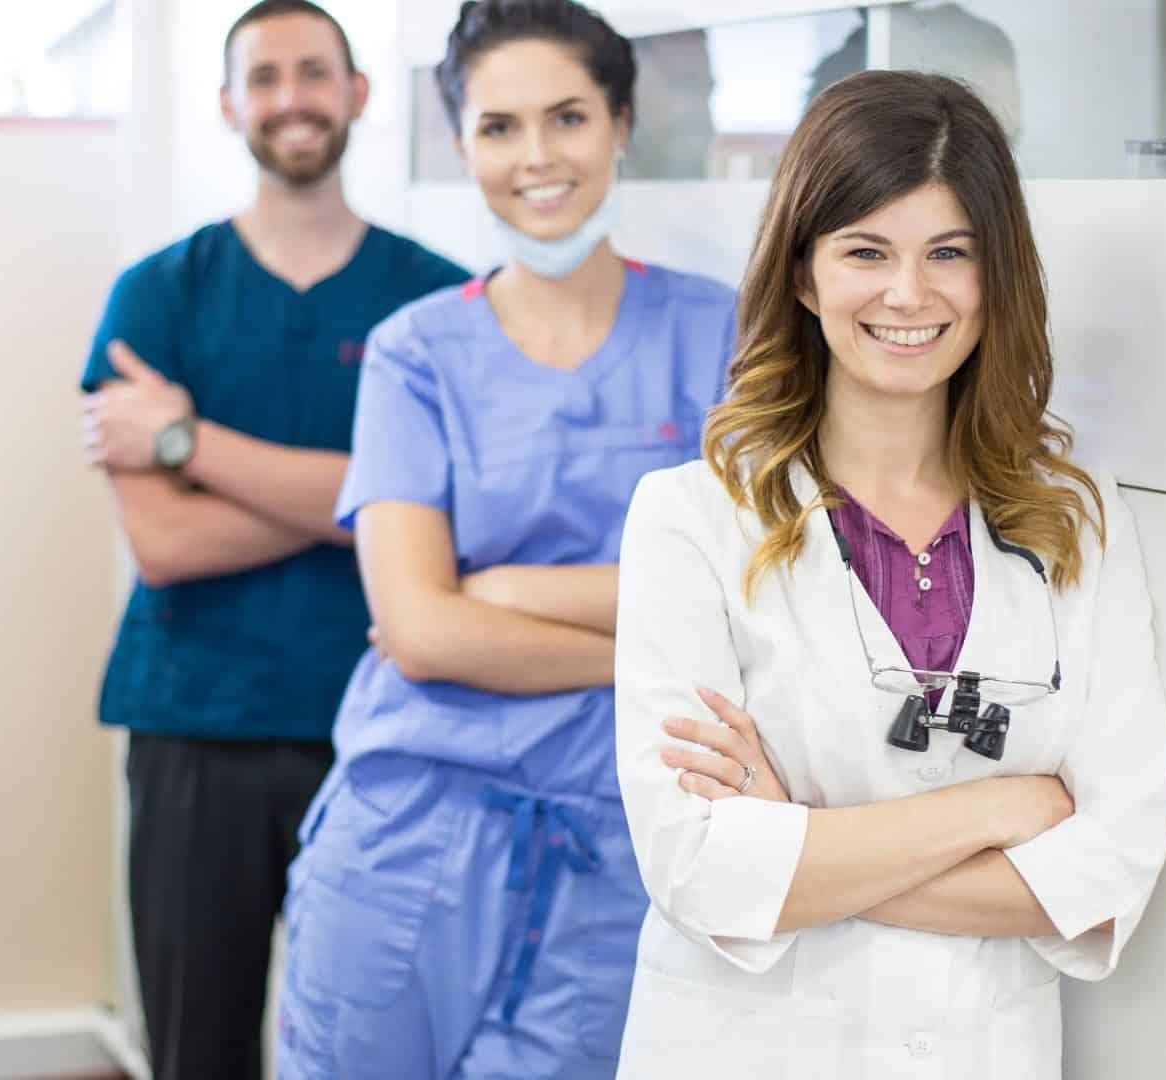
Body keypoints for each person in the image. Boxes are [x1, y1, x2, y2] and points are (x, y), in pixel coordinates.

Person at [612, 71, 1166, 1076]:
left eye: (948, 254)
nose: (908, 294)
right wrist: (996, 810)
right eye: (865, 251)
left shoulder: (1076, 523)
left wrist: (796, 841)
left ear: (994, 276)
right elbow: (694, 866)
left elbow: (1113, 861)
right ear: (802, 274)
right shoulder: (690, 520)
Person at [274, 2, 738, 1076]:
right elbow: (422, 633)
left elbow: (751, 601)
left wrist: (504, 589)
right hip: (405, 843)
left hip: (625, 857)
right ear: (463, 144)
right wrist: (657, 647)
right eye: (499, 127)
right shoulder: (415, 353)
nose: (537, 157)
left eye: (568, 116)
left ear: (622, 124)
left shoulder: (723, 333)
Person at [75, 2, 469, 1076]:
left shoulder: (437, 302)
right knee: (199, 1047)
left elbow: (444, 530)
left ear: (358, 93)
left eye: (313, 72)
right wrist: (369, 509)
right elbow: (163, 544)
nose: (291, 97)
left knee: (385, 1047)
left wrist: (187, 437)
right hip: (198, 729)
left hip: (393, 730)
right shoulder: (156, 295)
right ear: (228, 104)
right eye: (265, 77)